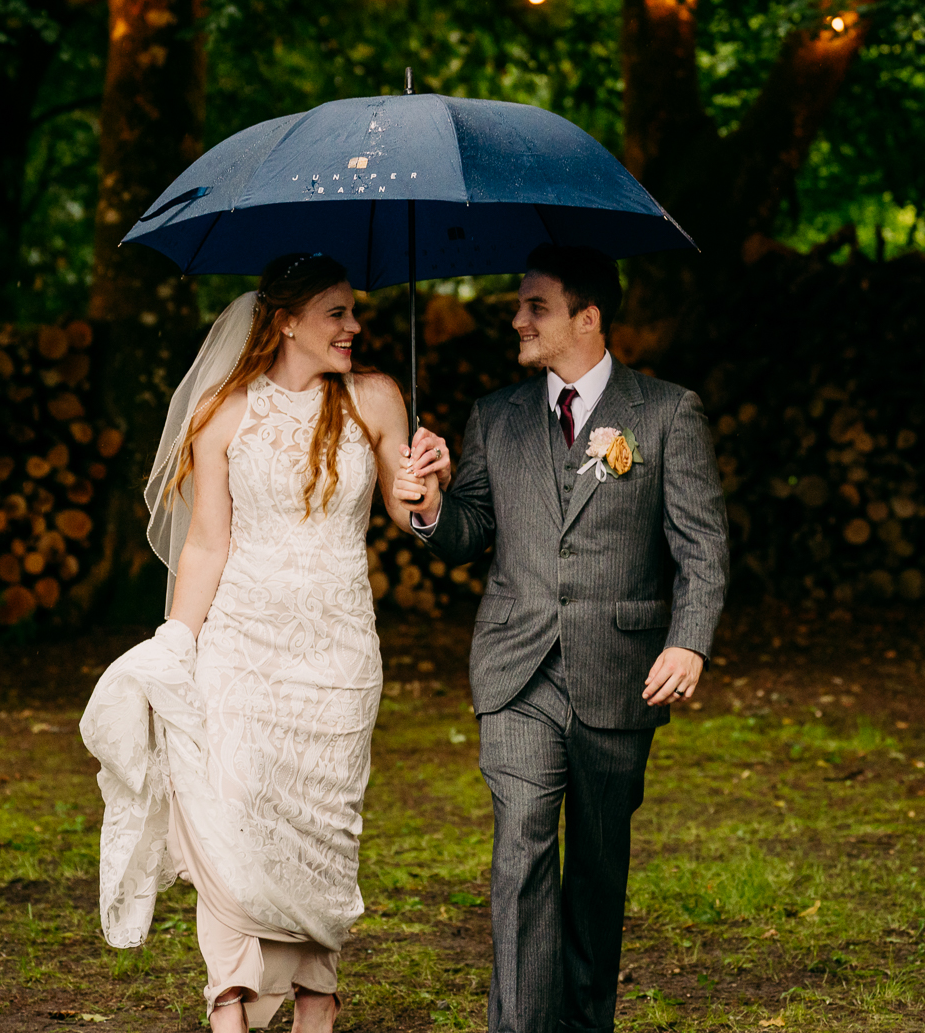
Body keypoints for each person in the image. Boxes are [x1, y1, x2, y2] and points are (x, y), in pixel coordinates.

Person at [82, 251, 444, 1033]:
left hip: (340, 656)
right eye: (336, 313)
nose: (354, 326)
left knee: (323, 835)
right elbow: (207, 545)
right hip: (244, 650)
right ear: (285, 321)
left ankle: (317, 1002)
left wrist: (428, 484)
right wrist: (177, 643)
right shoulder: (224, 411)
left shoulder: (378, 398)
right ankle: (231, 1005)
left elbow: (410, 515)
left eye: (355, 311)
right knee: (234, 816)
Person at [405, 243, 729, 1033]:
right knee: (520, 846)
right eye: (519, 304)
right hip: (516, 671)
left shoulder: (666, 413)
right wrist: (430, 504)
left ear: (588, 318)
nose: (516, 318)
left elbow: (702, 546)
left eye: (535, 306)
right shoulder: (496, 416)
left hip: (619, 670)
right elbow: (468, 531)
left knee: (594, 869)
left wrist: (688, 642)